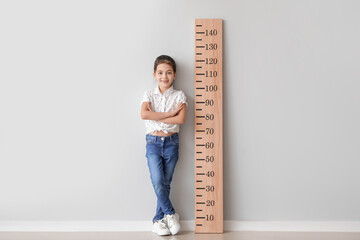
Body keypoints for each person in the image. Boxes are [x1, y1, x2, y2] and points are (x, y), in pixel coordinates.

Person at [140, 55, 187, 236]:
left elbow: (181, 119)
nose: (164, 76)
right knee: (158, 181)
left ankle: (158, 220)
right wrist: (170, 113)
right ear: (154, 74)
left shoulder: (180, 95)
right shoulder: (148, 94)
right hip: (152, 142)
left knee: (166, 183)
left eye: (168, 72)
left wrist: (158, 115)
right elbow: (144, 115)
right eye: (160, 73)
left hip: (171, 143)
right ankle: (170, 213)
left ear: (174, 75)